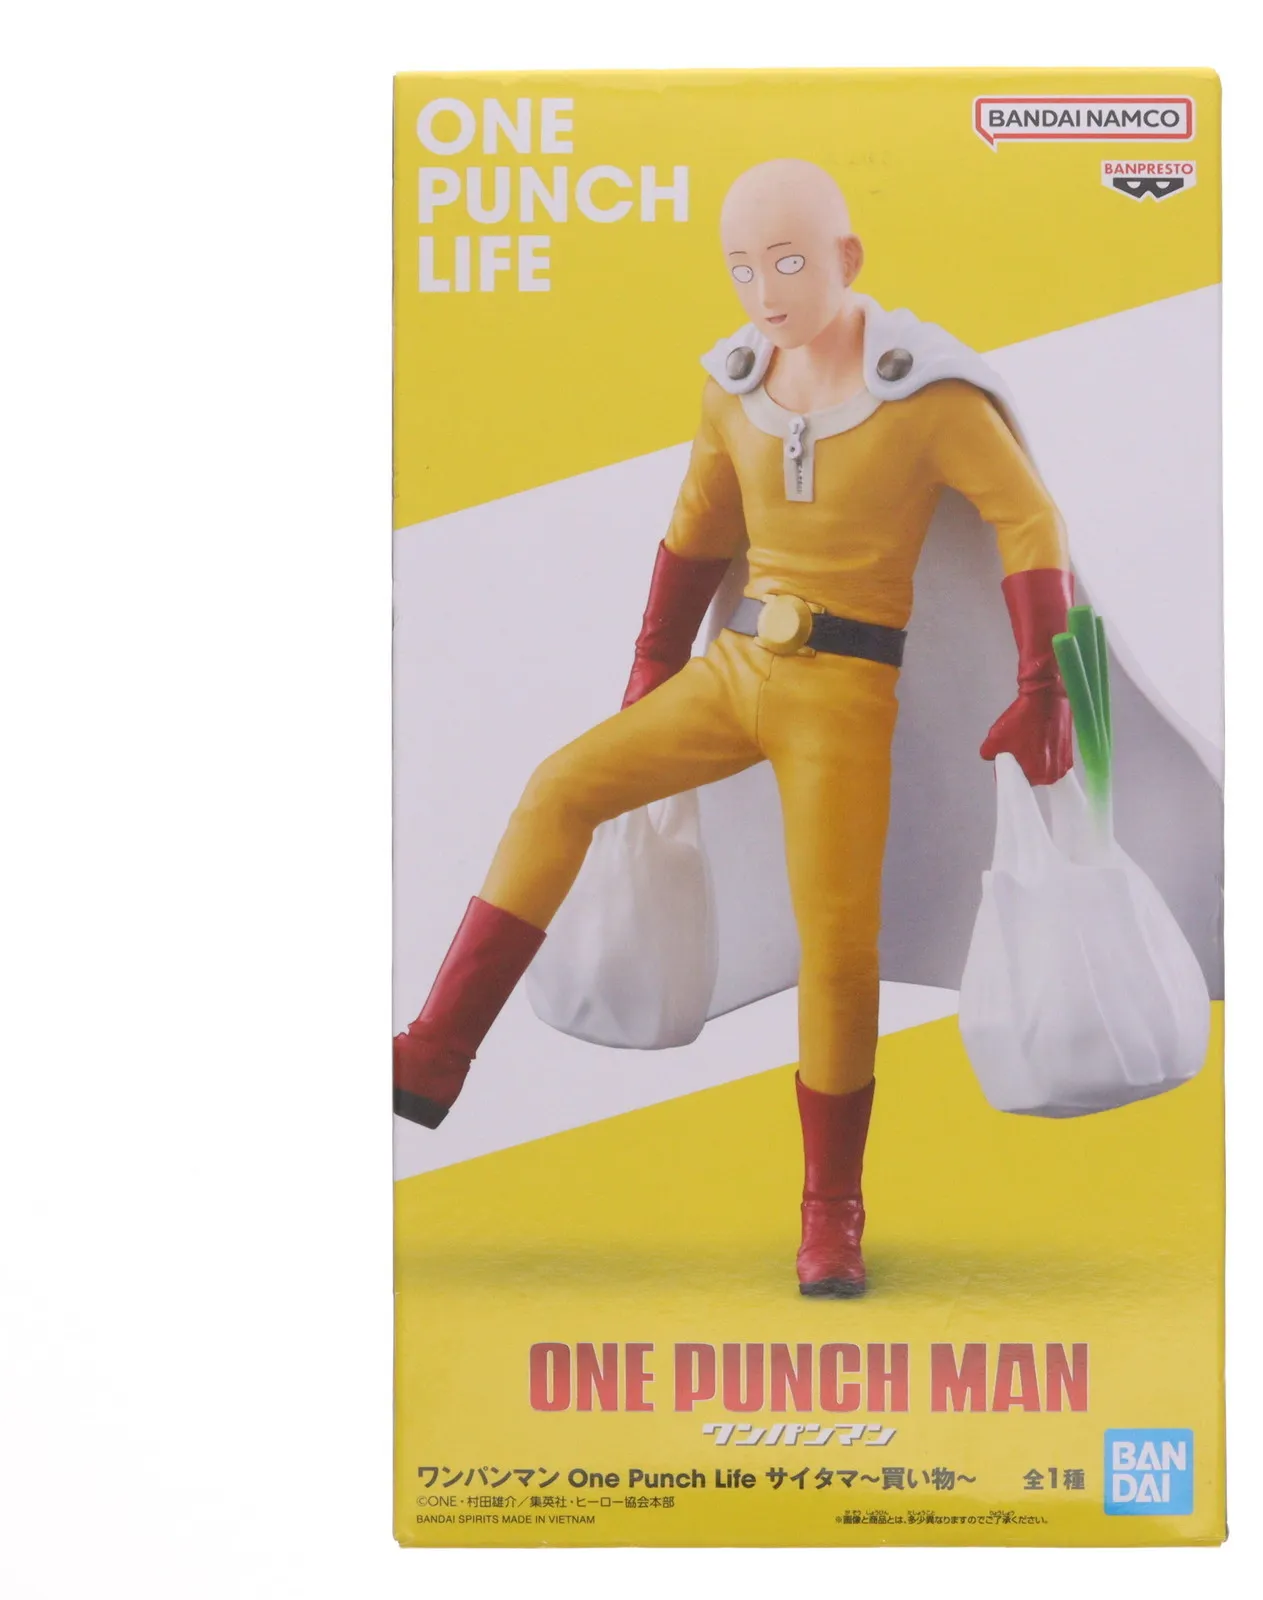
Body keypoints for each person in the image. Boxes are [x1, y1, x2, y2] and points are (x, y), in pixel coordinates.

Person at [394, 158, 1073, 1297]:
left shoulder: (924, 393)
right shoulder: (735, 384)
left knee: (837, 945)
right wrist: (652, 667)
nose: (764, 290)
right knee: (558, 787)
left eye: (789, 261)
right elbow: (696, 529)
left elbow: (1026, 516)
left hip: (843, 697)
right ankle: (435, 1050)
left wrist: (1043, 683)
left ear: (848, 258)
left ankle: (831, 1210)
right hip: (737, 668)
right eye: (743, 267)